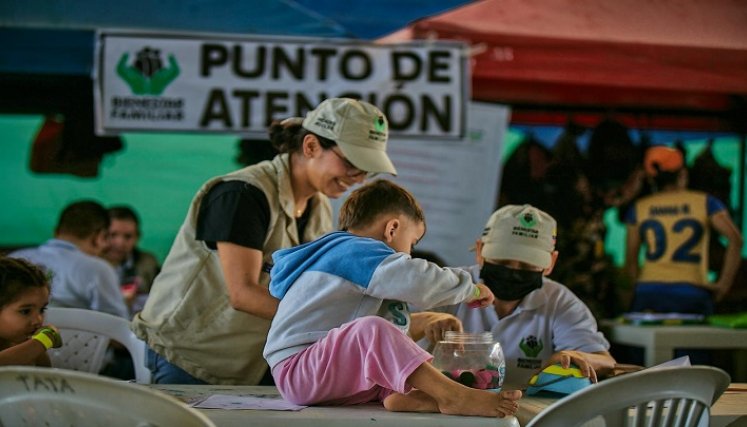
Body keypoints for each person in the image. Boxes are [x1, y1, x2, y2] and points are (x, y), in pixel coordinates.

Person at [132, 98, 398, 385]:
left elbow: (311, 285)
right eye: (351, 163)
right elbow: (243, 293)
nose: (357, 178)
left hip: (249, 362)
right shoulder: (242, 195)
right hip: (190, 357)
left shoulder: (318, 206)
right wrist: (342, 323)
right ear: (310, 146)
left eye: (366, 170)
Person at [263, 179, 521, 418]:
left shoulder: (361, 271)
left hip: (332, 375)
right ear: (392, 228)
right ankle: (451, 396)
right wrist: (470, 289)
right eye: (413, 242)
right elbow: (417, 279)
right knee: (372, 329)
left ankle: (406, 395)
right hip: (299, 370)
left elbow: (389, 337)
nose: (410, 253)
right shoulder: (354, 252)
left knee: (385, 337)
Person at [414, 204, 616, 389]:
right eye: (502, 261)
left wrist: (576, 356)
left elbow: (606, 361)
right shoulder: (447, 285)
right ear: (480, 250)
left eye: (528, 265)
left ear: (550, 263)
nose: (513, 271)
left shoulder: (559, 302)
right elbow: (388, 330)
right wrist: (427, 321)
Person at [624, 146, 743, 315]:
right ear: (683, 174)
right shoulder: (705, 202)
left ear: (651, 179)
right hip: (692, 291)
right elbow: (736, 240)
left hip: (648, 292)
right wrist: (723, 285)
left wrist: (636, 288)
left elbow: (631, 259)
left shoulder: (638, 208)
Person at [9, 200, 129, 319]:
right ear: (99, 237)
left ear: (56, 231)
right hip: (73, 338)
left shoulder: (14, 259)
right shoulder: (97, 268)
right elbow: (117, 323)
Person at [0, 256, 63, 366]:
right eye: (25, 311)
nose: (38, 320)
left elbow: (45, 378)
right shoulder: (35, 346)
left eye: (42, 310)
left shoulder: (30, 346)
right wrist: (43, 341)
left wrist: (37, 347)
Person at [102, 205, 160, 317]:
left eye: (128, 236)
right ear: (100, 235)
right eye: (113, 235)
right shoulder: (89, 265)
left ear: (137, 237)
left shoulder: (148, 263)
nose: (120, 243)